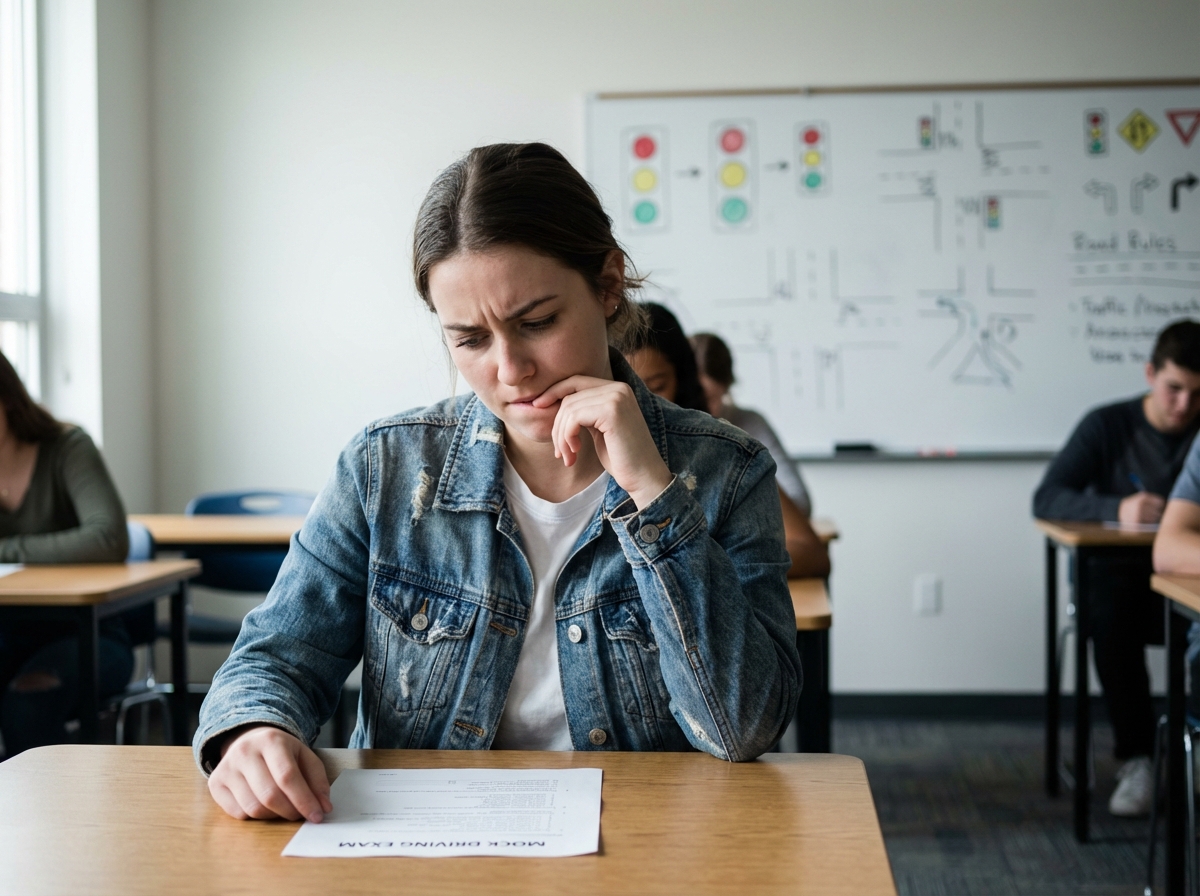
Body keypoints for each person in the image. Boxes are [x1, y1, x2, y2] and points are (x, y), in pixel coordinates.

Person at [196, 143, 801, 824]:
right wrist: (252, 732)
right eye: (469, 340)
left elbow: (743, 728)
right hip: (423, 857)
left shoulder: (728, 470)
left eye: (536, 323)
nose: (510, 370)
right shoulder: (384, 468)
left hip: (640, 850)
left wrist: (652, 495)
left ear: (607, 286)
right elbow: (275, 657)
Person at [1032, 318, 1200, 816]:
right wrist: (1115, 509)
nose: (1184, 406)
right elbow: (1046, 497)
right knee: (1109, 613)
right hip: (1118, 589)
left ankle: (1184, 749)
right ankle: (1139, 757)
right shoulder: (1106, 425)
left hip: (1184, 582)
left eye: (1197, 394)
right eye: (1174, 389)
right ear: (1150, 373)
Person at [0, 351, 130, 757]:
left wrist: (7, 550)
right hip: (9, 632)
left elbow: (108, 538)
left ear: (6, 398)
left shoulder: (67, 446)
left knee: (27, 704)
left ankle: (57, 816)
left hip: (88, 634)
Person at [688, 331, 828, 579]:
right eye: (695, 396)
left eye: (711, 397)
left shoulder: (749, 424)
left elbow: (800, 503)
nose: (703, 408)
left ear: (727, 388)